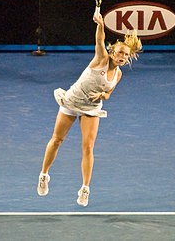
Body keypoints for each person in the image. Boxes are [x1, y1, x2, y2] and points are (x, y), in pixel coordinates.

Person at [37, 14, 142, 207]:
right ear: (112, 52)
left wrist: (102, 96)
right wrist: (100, 24)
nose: (122, 57)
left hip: (91, 108)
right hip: (72, 101)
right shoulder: (101, 58)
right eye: (120, 53)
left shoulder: (118, 75)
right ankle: (44, 175)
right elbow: (99, 40)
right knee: (57, 139)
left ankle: (85, 188)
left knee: (88, 147)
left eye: (126, 55)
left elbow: (108, 93)